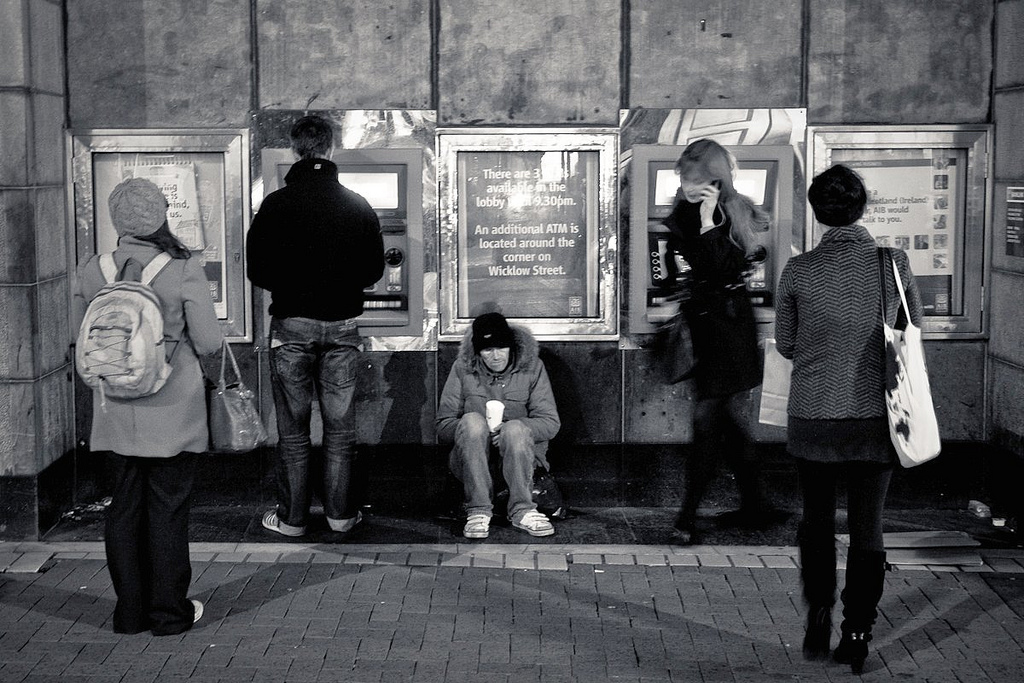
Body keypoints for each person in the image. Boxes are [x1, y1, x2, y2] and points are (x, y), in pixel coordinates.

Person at [776, 164, 923, 673]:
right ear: (861, 209)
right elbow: (911, 332)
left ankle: (819, 610)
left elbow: (787, 344)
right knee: (868, 527)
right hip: (873, 417)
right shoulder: (892, 264)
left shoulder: (798, 271)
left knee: (816, 521)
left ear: (817, 213)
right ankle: (857, 631)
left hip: (814, 416)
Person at [72, 178, 223, 635]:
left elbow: (79, 337)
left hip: (115, 411)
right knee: (168, 510)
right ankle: (169, 613)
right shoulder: (182, 268)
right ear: (162, 217)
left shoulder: (91, 268)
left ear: (116, 220)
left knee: (123, 509)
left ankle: (129, 612)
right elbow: (210, 340)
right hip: (173, 411)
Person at [247, 115, 385, 537]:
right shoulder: (357, 204)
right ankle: (341, 517)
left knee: (293, 431)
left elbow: (257, 270)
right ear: (331, 148)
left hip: (291, 327)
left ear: (295, 149)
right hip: (342, 327)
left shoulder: (275, 205)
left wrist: (293, 285)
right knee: (340, 430)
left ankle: (292, 520)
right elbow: (374, 269)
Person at [662, 138, 777, 544]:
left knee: (708, 421)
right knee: (727, 422)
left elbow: (727, 267)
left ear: (715, 178)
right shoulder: (683, 211)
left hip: (730, 332)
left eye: (695, 179)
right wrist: (698, 217)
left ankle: (687, 517)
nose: (688, 186)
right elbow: (687, 261)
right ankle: (756, 506)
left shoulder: (736, 211)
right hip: (706, 329)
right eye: (683, 178)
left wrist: (711, 221)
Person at [436, 312, 561, 539]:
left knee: (515, 429)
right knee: (473, 422)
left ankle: (523, 510)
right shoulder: (462, 369)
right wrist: (477, 431)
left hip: (521, 463)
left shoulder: (532, 367)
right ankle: (478, 511)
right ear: (477, 352)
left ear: (511, 347)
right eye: (487, 350)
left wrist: (510, 429)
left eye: (501, 348)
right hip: (470, 463)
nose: (495, 356)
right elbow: (443, 425)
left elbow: (551, 423)